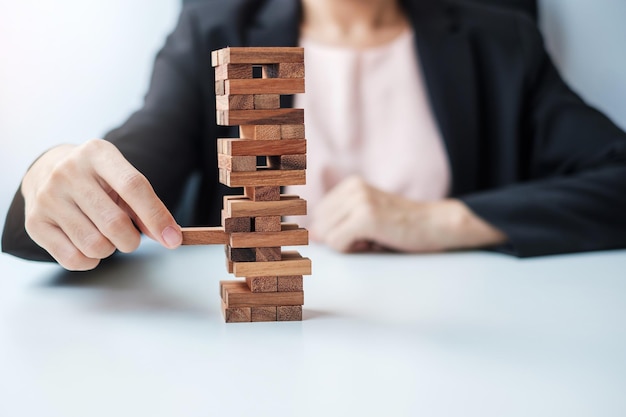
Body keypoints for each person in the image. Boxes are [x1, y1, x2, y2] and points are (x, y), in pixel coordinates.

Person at [2, 0, 626, 271]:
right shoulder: (216, 29)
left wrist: (443, 220)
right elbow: (131, 159)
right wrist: (54, 174)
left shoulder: (501, 41)